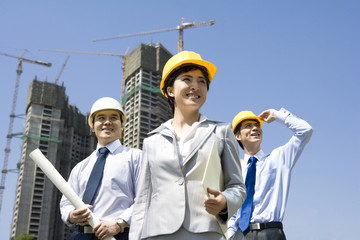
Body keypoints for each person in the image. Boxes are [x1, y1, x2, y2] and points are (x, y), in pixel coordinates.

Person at [129, 51, 246, 240]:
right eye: (187, 79)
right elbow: (143, 198)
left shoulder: (221, 132)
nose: (195, 86)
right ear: (170, 90)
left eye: (202, 81)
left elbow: (237, 187)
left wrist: (224, 201)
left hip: (205, 232)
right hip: (157, 233)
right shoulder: (152, 140)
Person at [60, 97, 142, 240]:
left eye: (114, 118)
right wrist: (72, 215)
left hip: (120, 235)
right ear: (92, 126)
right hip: (80, 236)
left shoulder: (135, 157)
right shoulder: (80, 167)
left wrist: (118, 224)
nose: (107, 122)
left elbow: (146, 199)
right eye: (101, 118)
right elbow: (66, 203)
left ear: (122, 124)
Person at [227, 109, 313, 240]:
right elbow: (232, 211)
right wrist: (230, 236)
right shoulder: (236, 170)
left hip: (271, 233)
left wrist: (278, 115)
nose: (255, 128)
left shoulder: (279, 159)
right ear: (237, 136)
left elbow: (305, 130)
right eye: (248, 126)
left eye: (257, 125)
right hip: (241, 235)